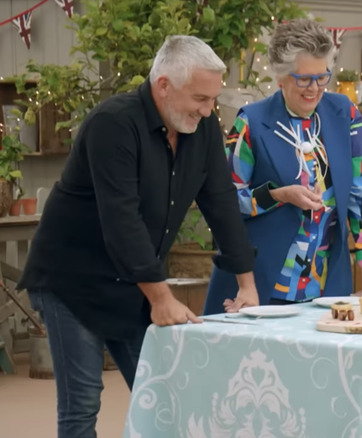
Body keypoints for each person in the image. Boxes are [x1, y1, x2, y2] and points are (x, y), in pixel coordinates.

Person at [18, 35, 259, 437]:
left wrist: (246, 283)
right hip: (72, 281)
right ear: (163, 85)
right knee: (83, 405)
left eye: (213, 100)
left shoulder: (201, 129)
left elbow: (220, 202)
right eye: (200, 98)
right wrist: (161, 299)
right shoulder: (112, 124)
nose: (208, 110)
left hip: (132, 282)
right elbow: (121, 220)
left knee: (165, 394)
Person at [203, 19, 362, 313]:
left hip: (327, 289)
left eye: (322, 77)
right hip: (260, 286)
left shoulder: (346, 115)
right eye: (304, 79)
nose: (315, 88)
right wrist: (278, 195)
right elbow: (225, 202)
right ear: (281, 77)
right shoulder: (251, 123)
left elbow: (358, 195)